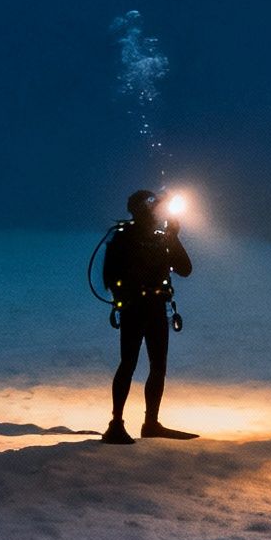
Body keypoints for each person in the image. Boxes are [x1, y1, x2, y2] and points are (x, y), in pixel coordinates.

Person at [101, 189, 196, 444]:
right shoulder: (124, 238)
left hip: (156, 308)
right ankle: (116, 424)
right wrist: (127, 295)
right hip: (134, 309)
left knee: (158, 366)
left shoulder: (162, 238)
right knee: (128, 364)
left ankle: (151, 423)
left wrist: (174, 238)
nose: (158, 213)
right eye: (154, 208)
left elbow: (186, 269)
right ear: (142, 210)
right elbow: (108, 276)